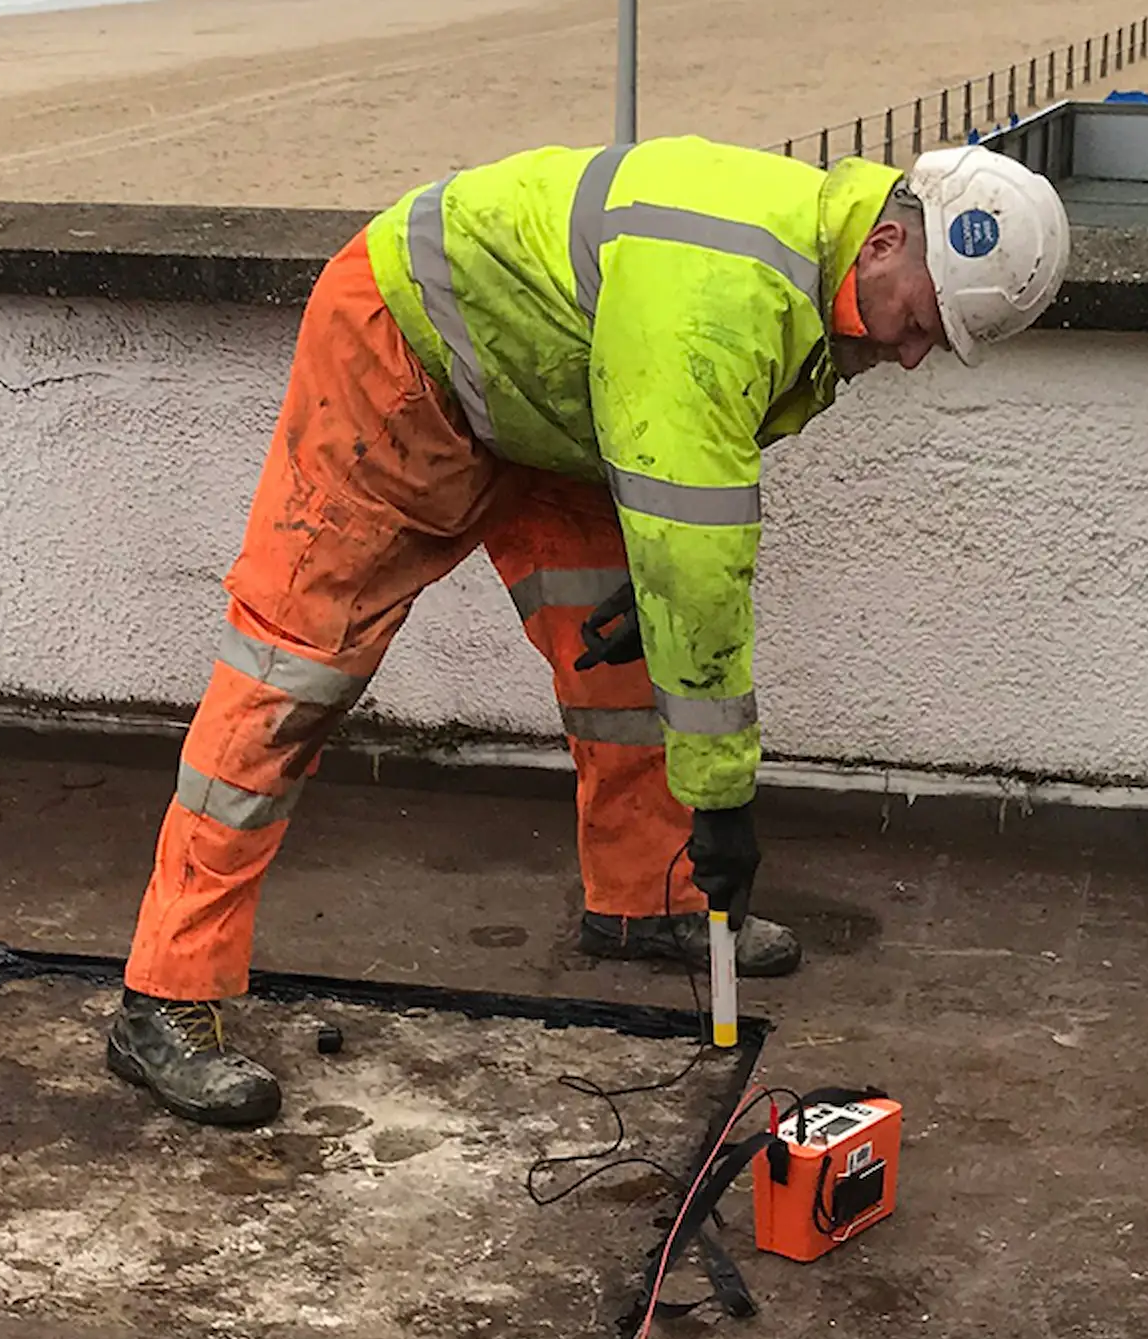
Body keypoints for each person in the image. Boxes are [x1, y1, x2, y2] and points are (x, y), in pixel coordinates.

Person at [107, 136, 1072, 1127]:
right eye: (917, 322)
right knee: (291, 671)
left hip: (543, 399)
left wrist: (658, 588)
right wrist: (723, 807)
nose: (910, 355)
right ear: (880, 244)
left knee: (622, 661)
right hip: (400, 351)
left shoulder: (823, 283)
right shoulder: (725, 298)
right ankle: (164, 996)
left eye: (935, 344)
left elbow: (682, 514)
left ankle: (642, 900)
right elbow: (701, 565)